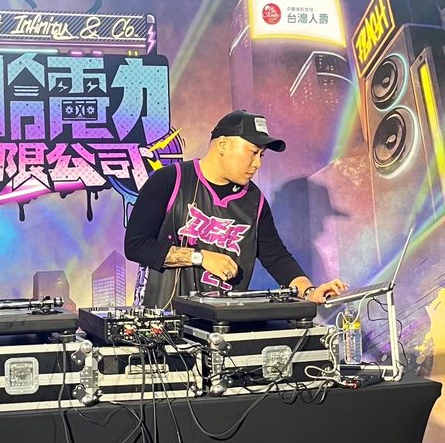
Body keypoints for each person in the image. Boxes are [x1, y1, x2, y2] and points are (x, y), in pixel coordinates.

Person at [124, 110, 348, 309]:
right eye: (252, 152)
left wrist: (309, 292)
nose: (258, 163)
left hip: (220, 328)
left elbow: (277, 257)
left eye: (262, 155)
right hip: (163, 323)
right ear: (223, 145)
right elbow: (136, 245)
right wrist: (199, 257)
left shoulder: (254, 200)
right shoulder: (170, 180)